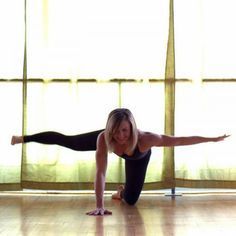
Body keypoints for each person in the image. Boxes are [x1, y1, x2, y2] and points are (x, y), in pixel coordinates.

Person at [11, 108, 229, 216]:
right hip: (108, 145)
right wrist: (99, 205)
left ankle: (121, 191)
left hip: (138, 159)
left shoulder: (146, 139)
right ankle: (23, 138)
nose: (120, 136)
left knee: (131, 201)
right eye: (115, 131)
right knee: (70, 141)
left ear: (131, 127)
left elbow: (179, 140)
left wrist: (211, 139)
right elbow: (101, 173)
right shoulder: (105, 138)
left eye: (124, 130)